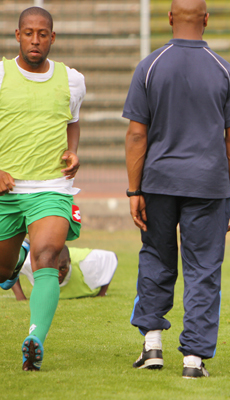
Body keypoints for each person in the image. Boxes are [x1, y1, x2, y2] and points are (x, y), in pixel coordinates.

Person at [123, 0, 230, 379]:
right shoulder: (226, 71)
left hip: (158, 182)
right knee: (204, 269)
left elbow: (135, 134)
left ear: (170, 18)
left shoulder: (150, 66)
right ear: (206, 20)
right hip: (210, 185)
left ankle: (152, 346)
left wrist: (134, 191)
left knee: (156, 258)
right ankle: (193, 359)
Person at [0, 7, 85, 371]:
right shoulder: (1, 73)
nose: (36, 40)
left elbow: (73, 122)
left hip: (51, 186)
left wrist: (72, 152)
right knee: (3, 271)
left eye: (43, 34)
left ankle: (35, 338)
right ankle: (11, 264)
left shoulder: (72, 80)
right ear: (18, 36)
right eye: (29, 33)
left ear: (53, 37)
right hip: (6, 191)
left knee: (48, 257)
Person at [12, 243, 118, 300]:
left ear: (69, 263)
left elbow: (112, 258)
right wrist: (20, 296)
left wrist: (102, 293)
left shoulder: (87, 262)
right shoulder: (34, 264)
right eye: (55, 268)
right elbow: (11, 266)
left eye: (63, 268)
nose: (58, 274)